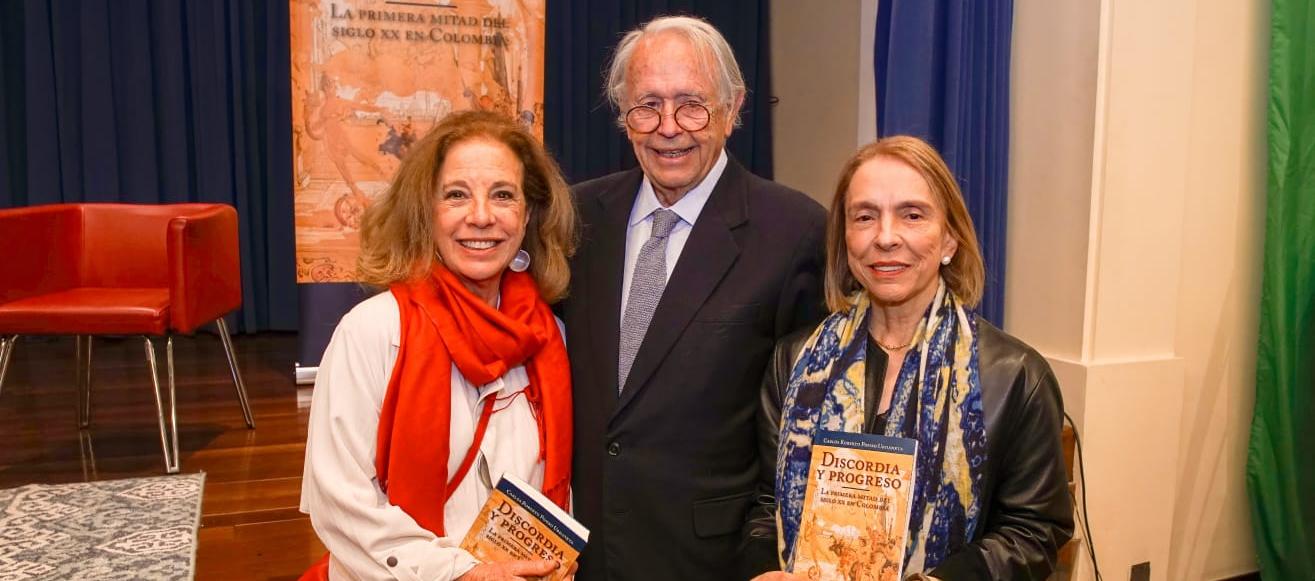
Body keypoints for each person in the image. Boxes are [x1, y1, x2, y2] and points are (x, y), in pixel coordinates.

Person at [557, 15, 829, 581]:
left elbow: (809, 424)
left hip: (718, 560)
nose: (668, 127)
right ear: (623, 118)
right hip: (586, 553)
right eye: (647, 106)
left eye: (692, 104)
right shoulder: (577, 219)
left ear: (733, 111)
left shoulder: (796, 231)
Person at [744, 136, 1074, 580]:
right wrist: (764, 569)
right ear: (845, 239)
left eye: (912, 215)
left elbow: (1033, 531)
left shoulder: (1016, 377)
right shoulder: (794, 360)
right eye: (865, 217)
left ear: (949, 240)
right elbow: (766, 502)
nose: (885, 238)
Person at [300, 110, 579, 581]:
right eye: (456, 195)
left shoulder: (550, 334)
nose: (482, 216)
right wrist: (458, 574)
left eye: (503, 195)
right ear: (425, 211)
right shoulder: (372, 331)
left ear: (527, 214)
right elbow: (338, 502)